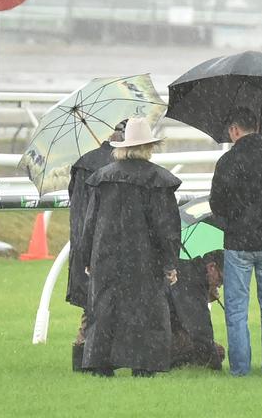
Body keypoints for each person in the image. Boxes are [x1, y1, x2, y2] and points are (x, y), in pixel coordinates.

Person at [79, 117, 181, 378]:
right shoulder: (158, 180)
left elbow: (89, 222)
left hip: (107, 255)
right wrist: (170, 263)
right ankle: (144, 365)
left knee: (104, 310)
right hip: (145, 258)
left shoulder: (103, 178)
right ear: (148, 147)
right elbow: (166, 228)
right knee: (145, 312)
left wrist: (87, 257)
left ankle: (101, 364)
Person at [209, 107, 262, 377]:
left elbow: (216, 204)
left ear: (235, 130)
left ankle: (240, 369)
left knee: (236, 311)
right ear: (257, 125)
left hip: (238, 243)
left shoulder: (227, 161)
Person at [67, 119, 127, 372]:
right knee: (104, 305)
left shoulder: (84, 163)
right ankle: (95, 357)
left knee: (93, 304)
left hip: (84, 238)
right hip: (108, 242)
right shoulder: (116, 167)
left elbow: (76, 203)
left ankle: (82, 354)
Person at [168, 250, 226, 370]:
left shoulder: (187, 271)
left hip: (160, 327)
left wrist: (206, 296)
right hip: (161, 332)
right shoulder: (193, 281)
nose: (220, 285)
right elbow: (199, 328)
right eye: (221, 279)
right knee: (217, 351)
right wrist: (216, 364)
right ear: (211, 267)